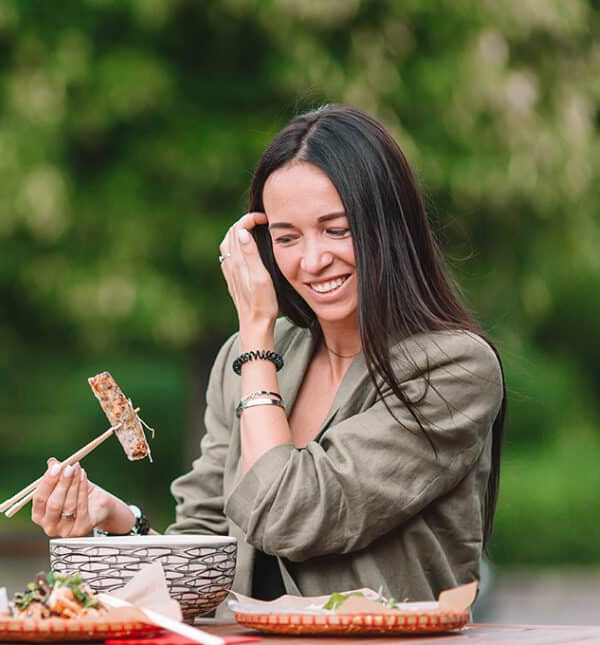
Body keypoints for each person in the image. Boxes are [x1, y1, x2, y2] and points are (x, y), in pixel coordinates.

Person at [30, 104, 507, 602]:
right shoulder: (247, 356)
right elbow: (202, 563)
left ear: (388, 226)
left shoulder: (453, 369)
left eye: (337, 229)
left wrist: (256, 334)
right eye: (286, 238)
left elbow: (294, 517)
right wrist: (115, 523)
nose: (313, 260)